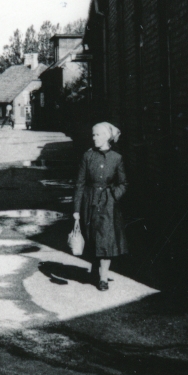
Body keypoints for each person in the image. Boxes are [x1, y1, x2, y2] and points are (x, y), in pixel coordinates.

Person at [73, 121, 127, 290]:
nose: (94, 138)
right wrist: (76, 210)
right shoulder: (87, 156)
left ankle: (103, 277)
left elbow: (123, 183)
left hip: (108, 205)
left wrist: (113, 196)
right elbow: (79, 184)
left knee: (106, 240)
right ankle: (96, 270)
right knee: (93, 238)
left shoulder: (117, 158)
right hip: (90, 202)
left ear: (107, 137)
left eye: (97, 135)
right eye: (93, 134)